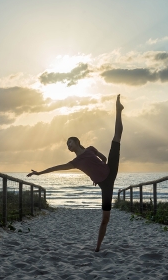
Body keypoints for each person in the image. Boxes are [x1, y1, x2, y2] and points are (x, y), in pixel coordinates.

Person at [27, 94, 124, 252]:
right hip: (105, 186)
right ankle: (98, 248)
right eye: (66, 145)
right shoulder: (75, 162)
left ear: (77, 142)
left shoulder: (90, 149)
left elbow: (104, 158)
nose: (68, 146)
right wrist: (39, 173)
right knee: (105, 219)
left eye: (69, 142)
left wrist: (100, 170)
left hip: (110, 170)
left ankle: (118, 110)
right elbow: (56, 167)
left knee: (117, 137)